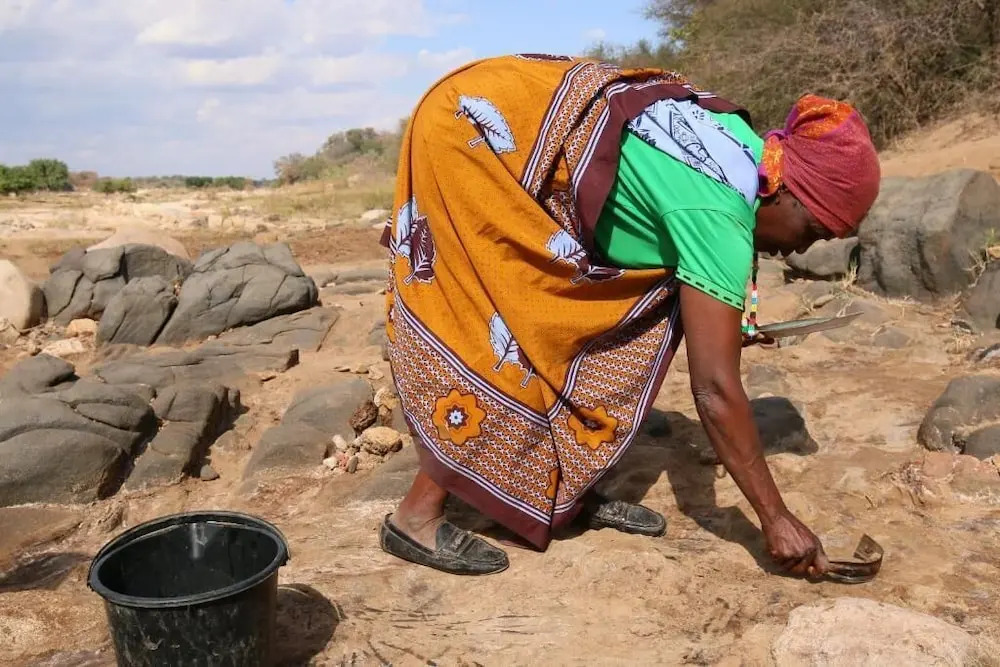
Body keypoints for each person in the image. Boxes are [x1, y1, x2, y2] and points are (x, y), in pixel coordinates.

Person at [376, 54, 880, 577]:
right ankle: (415, 516)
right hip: (474, 135)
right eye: (814, 233)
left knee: (636, 310)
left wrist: (733, 322)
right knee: (508, 323)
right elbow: (713, 389)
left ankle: (560, 488)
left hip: (523, 120)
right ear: (785, 191)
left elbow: (690, 230)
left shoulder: (744, 151)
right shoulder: (716, 211)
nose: (800, 253)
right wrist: (776, 519)